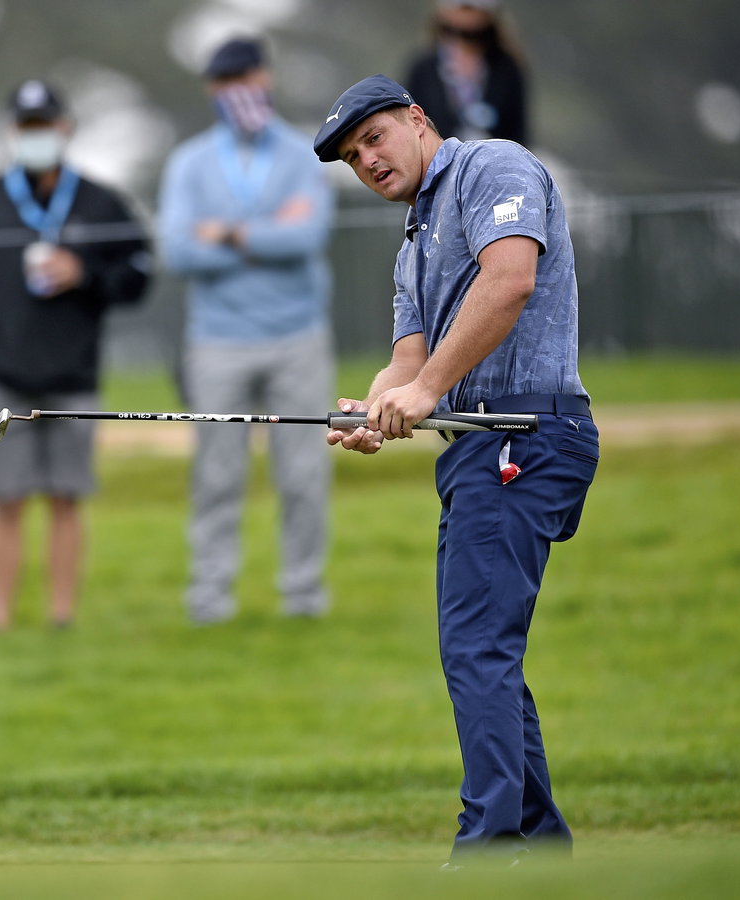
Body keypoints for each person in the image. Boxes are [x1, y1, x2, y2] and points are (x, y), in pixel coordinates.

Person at [312, 75, 598, 863]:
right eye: (350, 156)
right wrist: (372, 412)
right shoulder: (413, 240)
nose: (365, 160)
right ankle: (538, 848)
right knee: (482, 651)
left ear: (417, 120)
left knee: (478, 649)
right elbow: (407, 364)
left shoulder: (491, 169)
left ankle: (490, 849)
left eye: (373, 139)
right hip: (481, 447)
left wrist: (427, 389)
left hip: (527, 432)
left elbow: (510, 282)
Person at [0, 79, 151, 630]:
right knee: (5, 499)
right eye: (26, 127)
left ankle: (61, 616)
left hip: (72, 375)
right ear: (13, 133)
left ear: (65, 129)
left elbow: (138, 275)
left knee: (67, 497)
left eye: (45, 125)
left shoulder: (100, 201)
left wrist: (84, 274)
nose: (36, 136)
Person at [157, 37, 336, 626]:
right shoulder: (189, 162)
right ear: (211, 89)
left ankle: (303, 596)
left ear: (266, 77)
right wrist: (265, 233)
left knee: (305, 473)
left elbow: (307, 238)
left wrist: (227, 233)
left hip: (298, 336)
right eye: (224, 80)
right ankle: (209, 598)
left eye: (246, 76)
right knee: (215, 474)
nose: (238, 89)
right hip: (218, 340)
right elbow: (178, 250)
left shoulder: (306, 154)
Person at [403, 1, 528, 145]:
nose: (466, 12)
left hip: (494, 160)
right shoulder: (423, 68)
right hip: (436, 160)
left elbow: (518, 130)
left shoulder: (507, 68)